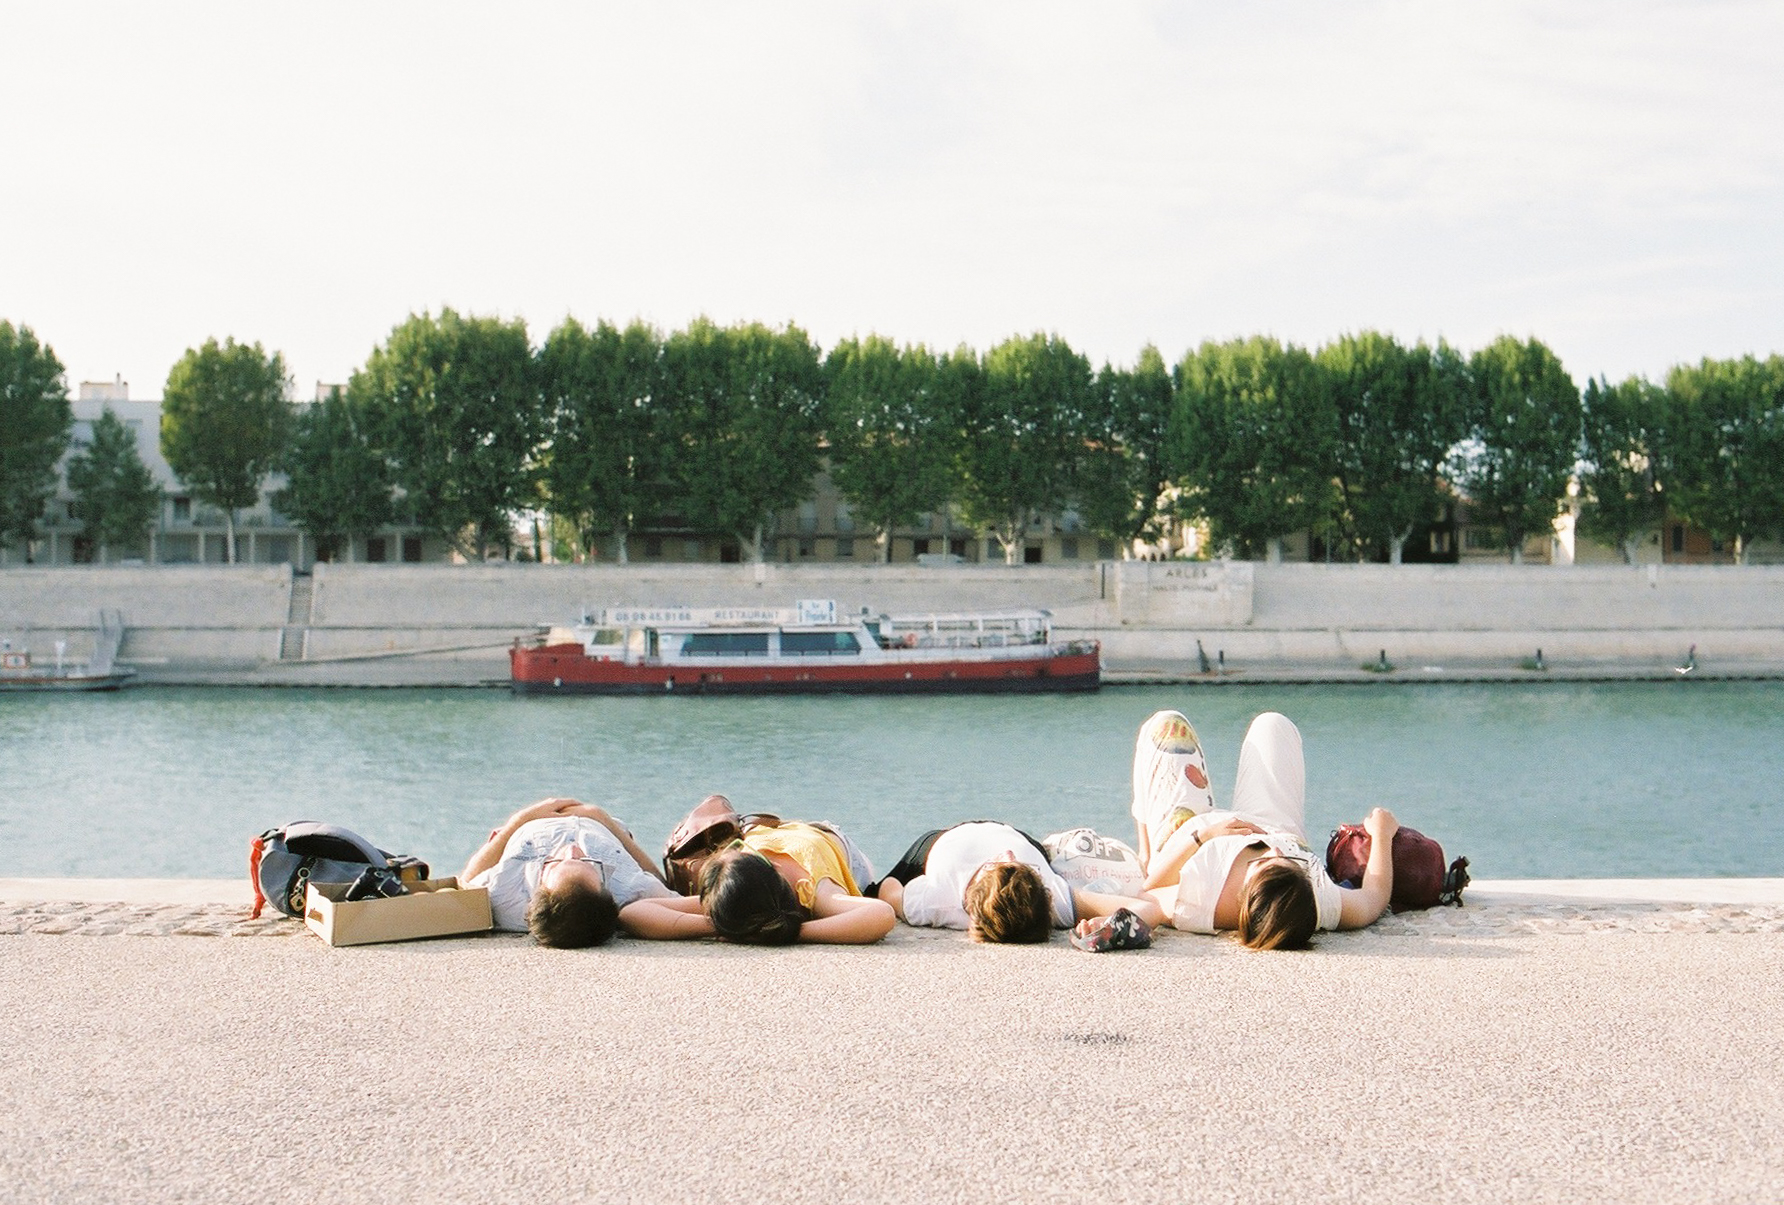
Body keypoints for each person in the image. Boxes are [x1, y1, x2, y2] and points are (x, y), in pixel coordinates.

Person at [1131, 710, 1397, 949]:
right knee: (1272, 724)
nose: (1272, 850)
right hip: (1275, 825)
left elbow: (1149, 889)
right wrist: (1382, 834)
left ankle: (1146, 851)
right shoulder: (1315, 897)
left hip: (1189, 832)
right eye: (1287, 861)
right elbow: (1373, 898)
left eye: (1262, 863)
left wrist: (1204, 836)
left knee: (1167, 724)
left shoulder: (1199, 902)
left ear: (1243, 894)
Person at [461, 798, 713, 946]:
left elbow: (465, 882)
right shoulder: (630, 891)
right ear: (603, 886)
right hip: (604, 826)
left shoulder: (503, 899)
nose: (572, 850)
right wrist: (603, 820)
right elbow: (660, 882)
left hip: (533, 824)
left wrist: (519, 820)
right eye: (588, 862)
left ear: (538, 893)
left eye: (557, 863)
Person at [873, 821, 1164, 943]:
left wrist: (901, 896)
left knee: (875, 888)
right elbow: (1148, 909)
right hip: (1014, 833)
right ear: (1043, 889)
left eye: (1001, 863)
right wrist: (1108, 929)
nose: (1009, 855)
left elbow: (889, 892)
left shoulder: (936, 899)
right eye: (1023, 867)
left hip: (941, 839)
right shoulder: (1057, 901)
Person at [697, 817, 895, 945]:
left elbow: (882, 914)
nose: (729, 849)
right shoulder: (744, 879)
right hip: (795, 834)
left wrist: (786, 933)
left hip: (841, 847)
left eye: (736, 846)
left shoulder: (817, 889)